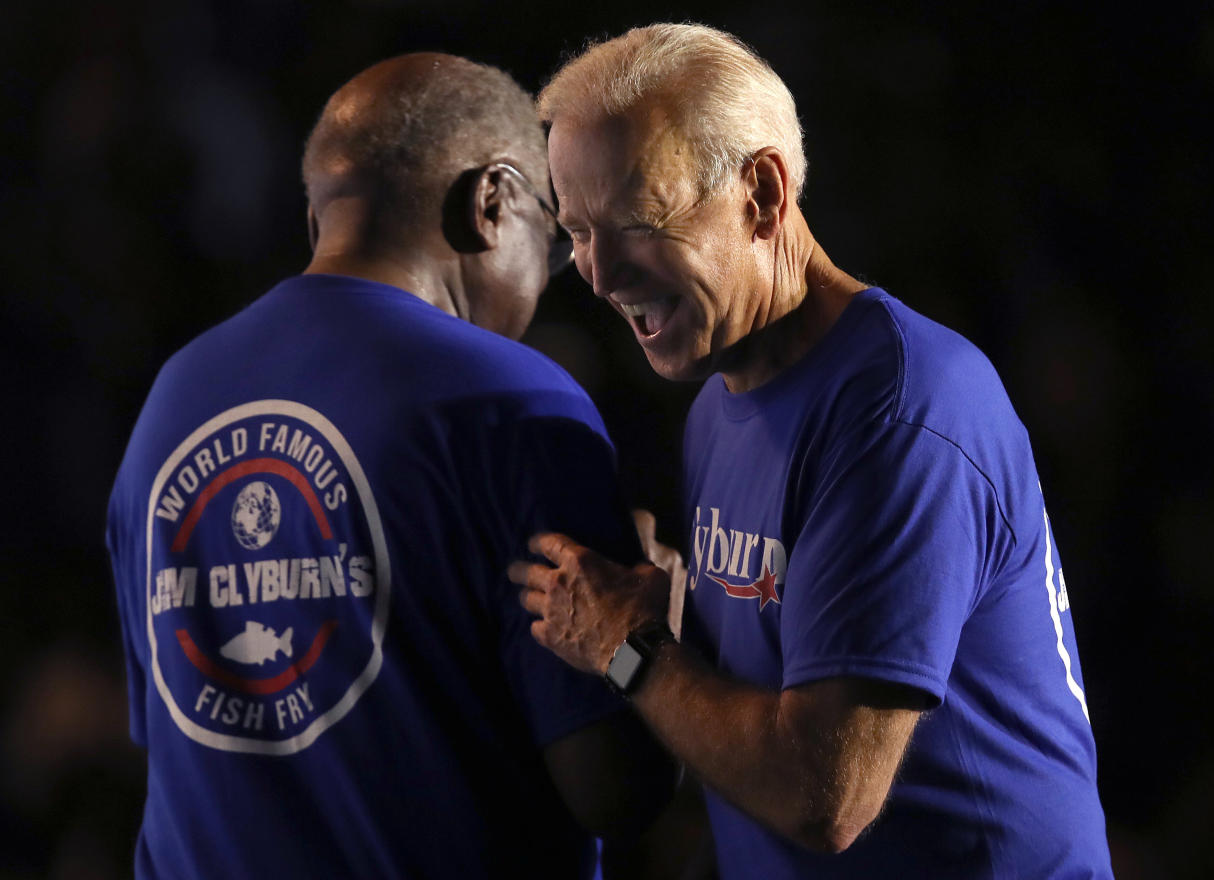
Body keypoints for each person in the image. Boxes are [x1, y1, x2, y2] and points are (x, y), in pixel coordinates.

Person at [509, 23, 1114, 878]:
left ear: (761, 191)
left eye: (636, 220)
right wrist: (671, 620)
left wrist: (631, 646)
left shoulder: (902, 411)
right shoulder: (719, 403)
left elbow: (823, 796)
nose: (600, 275)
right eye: (576, 231)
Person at [106, 52, 675, 879]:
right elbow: (618, 793)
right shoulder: (512, 399)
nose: (552, 284)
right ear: (495, 200)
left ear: (318, 222)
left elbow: (184, 738)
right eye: (551, 243)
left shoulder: (169, 402)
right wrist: (646, 637)